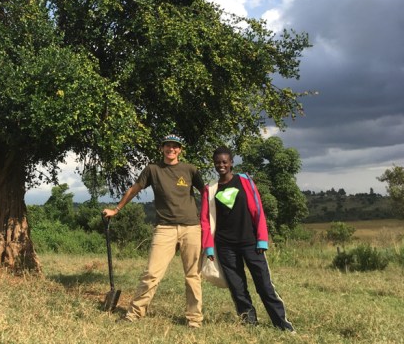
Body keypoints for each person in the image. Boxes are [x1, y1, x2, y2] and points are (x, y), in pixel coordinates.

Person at [103, 134, 204, 328]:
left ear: (180, 150)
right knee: (151, 273)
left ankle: (194, 319)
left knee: (193, 275)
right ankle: (134, 313)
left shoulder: (190, 169)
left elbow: (206, 192)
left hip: (191, 227)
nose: (171, 149)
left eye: (175, 146)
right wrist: (116, 209)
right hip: (164, 228)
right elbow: (134, 189)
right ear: (162, 148)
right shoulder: (153, 169)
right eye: (168, 146)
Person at [200, 146, 295, 332]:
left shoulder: (244, 181)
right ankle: (249, 324)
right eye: (218, 162)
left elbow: (258, 210)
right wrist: (209, 247)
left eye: (225, 162)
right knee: (237, 288)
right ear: (214, 164)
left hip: (251, 243)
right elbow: (205, 220)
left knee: (264, 286)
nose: (221, 165)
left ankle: (282, 325)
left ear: (231, 163)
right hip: (225, 246)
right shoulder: (210, 189)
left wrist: (262, 239)